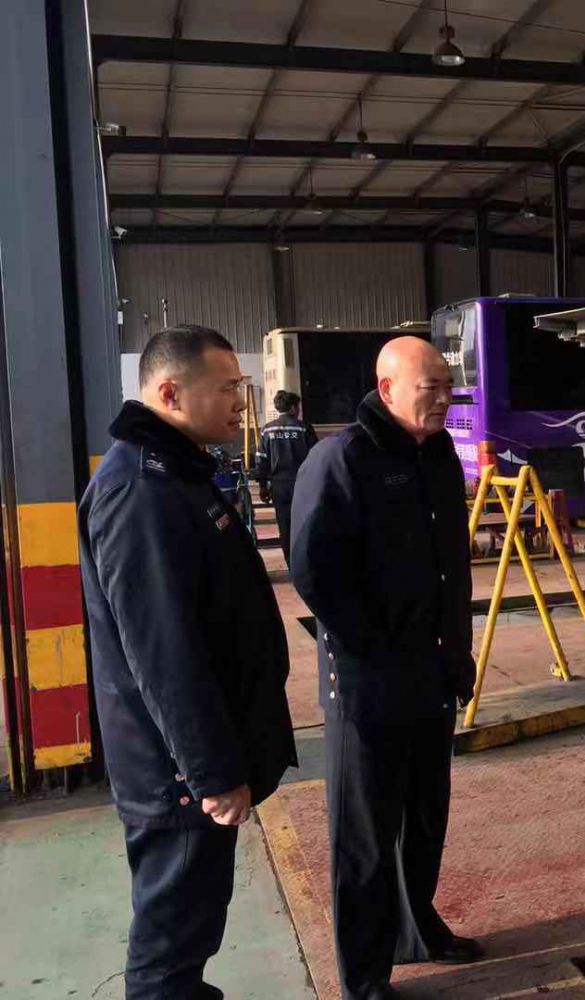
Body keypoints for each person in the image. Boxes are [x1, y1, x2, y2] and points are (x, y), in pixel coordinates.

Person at [78, 325, 297, 999]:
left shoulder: (179, 472)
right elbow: (163, 653)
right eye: (227, 387)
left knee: (191, 932)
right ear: (171, 393)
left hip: (189, 764)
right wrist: (210, 773)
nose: (240, 401)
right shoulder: (141, 491)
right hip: (174, 772)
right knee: (169, 951)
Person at [290, 336, 478, 1000]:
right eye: (431, 387)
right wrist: (373, 645)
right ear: (388, 387)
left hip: (432, 672)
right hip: (369, 682)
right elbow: (312, 569)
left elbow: (451, 567)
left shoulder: (438, 455)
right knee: (366, 838)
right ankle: (364, 978)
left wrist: (457, 651)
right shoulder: (343, 458)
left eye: (448, 386)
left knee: (425, 817)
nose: (444, 398)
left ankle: (415, 930)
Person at [253, 389, 319, 564]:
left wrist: (262, 486)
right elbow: (316, 457)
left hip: (279, 486)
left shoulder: (267, 430)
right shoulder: (304, 428)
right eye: (298, 407)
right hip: (303, 485)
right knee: (307, 522)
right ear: (293, 407)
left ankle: (291, 564)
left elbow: (261, 459)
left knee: (285, 525)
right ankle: (307, 562)